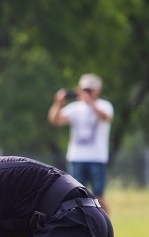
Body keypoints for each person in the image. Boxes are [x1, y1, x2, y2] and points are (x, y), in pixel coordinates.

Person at [47, 73, 114, 214]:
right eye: (84, 90)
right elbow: (55, 120)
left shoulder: (104, 105)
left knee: (99, 197)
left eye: (90, 90)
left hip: (97, 158)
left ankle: (106, 228)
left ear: (98, 91)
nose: (86, 93)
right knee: (75, 195)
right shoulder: (75, 107)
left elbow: (106, 117)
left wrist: (90, 103)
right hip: (76, 158)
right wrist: (58, 103)